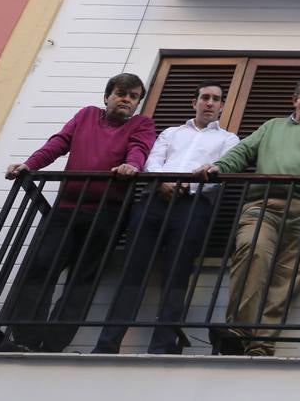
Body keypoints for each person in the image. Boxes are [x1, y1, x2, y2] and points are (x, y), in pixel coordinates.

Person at [1, 73, 156, 352]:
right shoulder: (86, 115)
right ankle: (24, 338)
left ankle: (52, 345)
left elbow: (139, 149)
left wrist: (131, 166)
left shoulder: (141, 124)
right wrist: (29, 165)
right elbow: (59, 143)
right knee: (40, 269)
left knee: (82, 280)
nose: (127, 100)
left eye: (133, 97)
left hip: (107, 215)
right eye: (122, 93)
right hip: (67, 209)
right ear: (107, 96)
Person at [197, 77, 300, 356]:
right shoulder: (272, 126)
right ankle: (240, 331)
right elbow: (242, 152)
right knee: (251, 250)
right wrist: (219, 166)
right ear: (295, 99)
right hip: (263, 203)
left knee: (289, 275)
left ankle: (261, 344)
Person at [93, 81, 241, 355]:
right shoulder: (171, 133)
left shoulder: (229, 140)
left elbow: (220, 175)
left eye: (216, 99)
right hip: (153, 201)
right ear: (194, 102)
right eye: (205, 97)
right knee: (132, 271)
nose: (209, 103)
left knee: (177, 275)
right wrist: (161, 182)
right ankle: (107, 344)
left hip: (193, 206)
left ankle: (162, 346)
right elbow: (153, 160)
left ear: (221, 106)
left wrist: (188, 186)